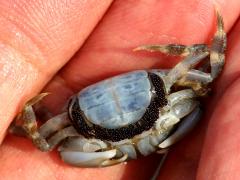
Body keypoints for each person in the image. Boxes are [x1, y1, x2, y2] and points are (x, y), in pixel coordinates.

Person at [0, 0, 239, 179]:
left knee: (204, 77)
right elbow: (43, 142)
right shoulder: (63, 127)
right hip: (139, 95)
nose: (132, 132)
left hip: (153, 90)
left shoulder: (173, 84)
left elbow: (208, 61)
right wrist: (28, 120)